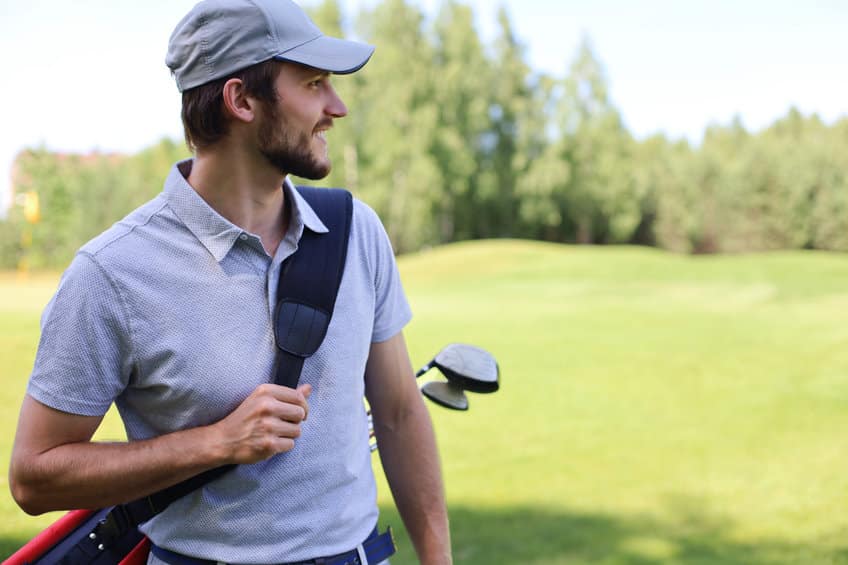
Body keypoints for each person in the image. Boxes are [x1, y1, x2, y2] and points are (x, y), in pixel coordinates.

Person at [8, 1, 451, 563]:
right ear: (241, 100)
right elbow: (34, 476)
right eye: (313, 84)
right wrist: (215, 443)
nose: (335, 107)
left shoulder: (355, 231)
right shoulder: (112, 274)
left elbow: (398, 411)